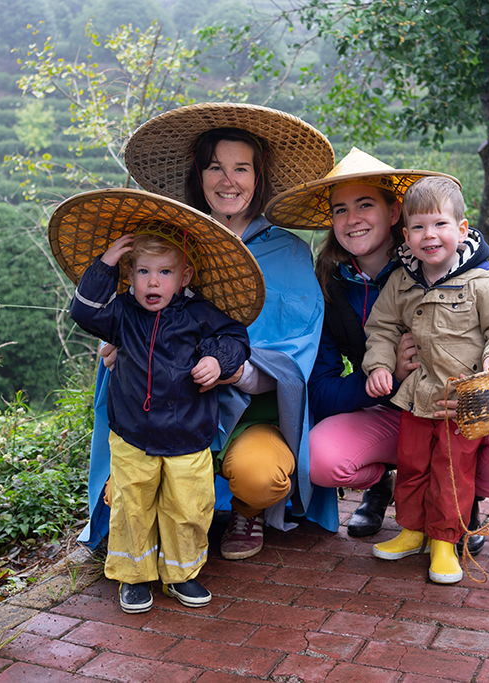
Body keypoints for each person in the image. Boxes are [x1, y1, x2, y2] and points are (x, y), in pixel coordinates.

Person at [265, 148, 489, 558]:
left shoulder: (465, 273)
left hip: (458, 406)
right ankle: (388, 490)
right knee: (323, 458)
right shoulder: (330, 287)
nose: (352, 220)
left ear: (393, 211)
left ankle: (460, 504)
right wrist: (387, 377)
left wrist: (475, 395)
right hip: (397, 407)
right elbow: (323, 387)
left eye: (365, 205)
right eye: (340, 210)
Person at [78, 103, 337, 562]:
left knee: (262, 476)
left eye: (241, 168)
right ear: (199, 176)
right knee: (122, 496)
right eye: (215, 167)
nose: (227, 180)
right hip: (161, 409)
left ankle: (245, 509)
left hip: (250, 413)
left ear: (259, 178)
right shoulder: (168, 242)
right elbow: (131, 309)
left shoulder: (289, 253)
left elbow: (293, 355)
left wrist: (233, 371)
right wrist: (123, 344)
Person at [49, 188, 263, 612]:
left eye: (165, 272)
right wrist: (106, 263)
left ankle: (182, 574)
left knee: (188, 506)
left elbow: (236, 338)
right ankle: (134, 575)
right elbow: (84, 312)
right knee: (133, 506)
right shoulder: (123, 314)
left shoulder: (200, 313)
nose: (152, 282)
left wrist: (217, 362)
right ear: (129, 275)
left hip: (189, 436)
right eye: (142, 271)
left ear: (184, 277)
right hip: (133, 436)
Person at [360, 173, 489, 584]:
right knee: (413, 465)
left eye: (439, 224)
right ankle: (412, 530)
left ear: (462, 228)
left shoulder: (483, 281)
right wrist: (379, 366)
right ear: (405, 233)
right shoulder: (401, 281)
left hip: (461, 402)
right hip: (417, 398)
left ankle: (444, 541)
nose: (429, 236)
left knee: (452, 470)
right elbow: (381, 329)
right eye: (418, 227)